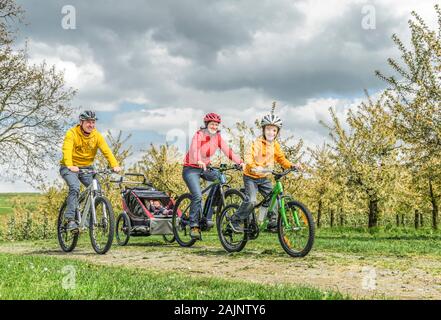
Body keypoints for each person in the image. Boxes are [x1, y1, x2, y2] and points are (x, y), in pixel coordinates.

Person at [230, 111, 301, 232]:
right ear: (263, 130)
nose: (271, 132)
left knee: (276, 197)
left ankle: (272, 223)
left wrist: (291, 165)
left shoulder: (275, 145)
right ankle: (235, 220)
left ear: (277, 132)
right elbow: (248, 157)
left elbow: (281, 159)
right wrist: (253, 166)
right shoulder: (256, 143)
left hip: (264, 178)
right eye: (268, 129)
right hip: (251, 177)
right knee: (252, 200)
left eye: (274, 130)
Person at [183, 112, 245, 240]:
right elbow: (194, 149)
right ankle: (194, 225)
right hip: (191, 168)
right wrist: (198, 160)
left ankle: (208, 214)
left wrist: (240, 162)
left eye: (216, 125)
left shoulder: (217, 137)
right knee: (197, 196)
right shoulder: (199, 134)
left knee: (222, 179)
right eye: (212, 124)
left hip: (206, 168)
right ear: (206, 125)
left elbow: (228, 151)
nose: (214, 127)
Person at [60, 110, 121, 232]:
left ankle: (85, 217)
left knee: (97, 190)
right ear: (81, 122)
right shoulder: (71, 133)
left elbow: (106, 151)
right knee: (75, 187)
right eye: (88, 122)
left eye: (93, 122)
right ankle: (70, 219)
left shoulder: (96, 136)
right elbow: (66, 150)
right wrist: (70, 165)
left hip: (87, 168)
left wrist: (115, 165)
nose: (91, 125)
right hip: (69, 167)